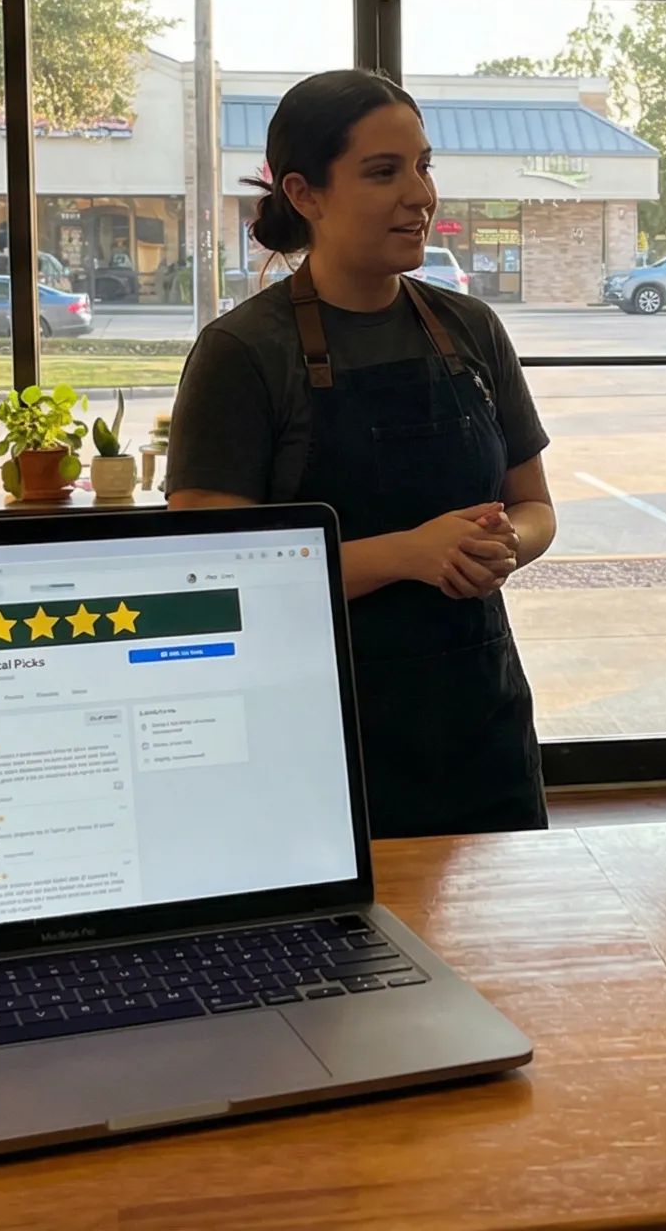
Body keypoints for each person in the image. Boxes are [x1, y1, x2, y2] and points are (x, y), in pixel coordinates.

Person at [168, 70, 557, 838]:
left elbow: (536, 507)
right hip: (316, 736)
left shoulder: (471, 329)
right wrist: (411, 554)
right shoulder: (242, 353)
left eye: (423, 165)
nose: (419, 194)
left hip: (480, 724)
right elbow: (211, 573)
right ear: (304, 193)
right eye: (384, 172)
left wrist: (502, 545)